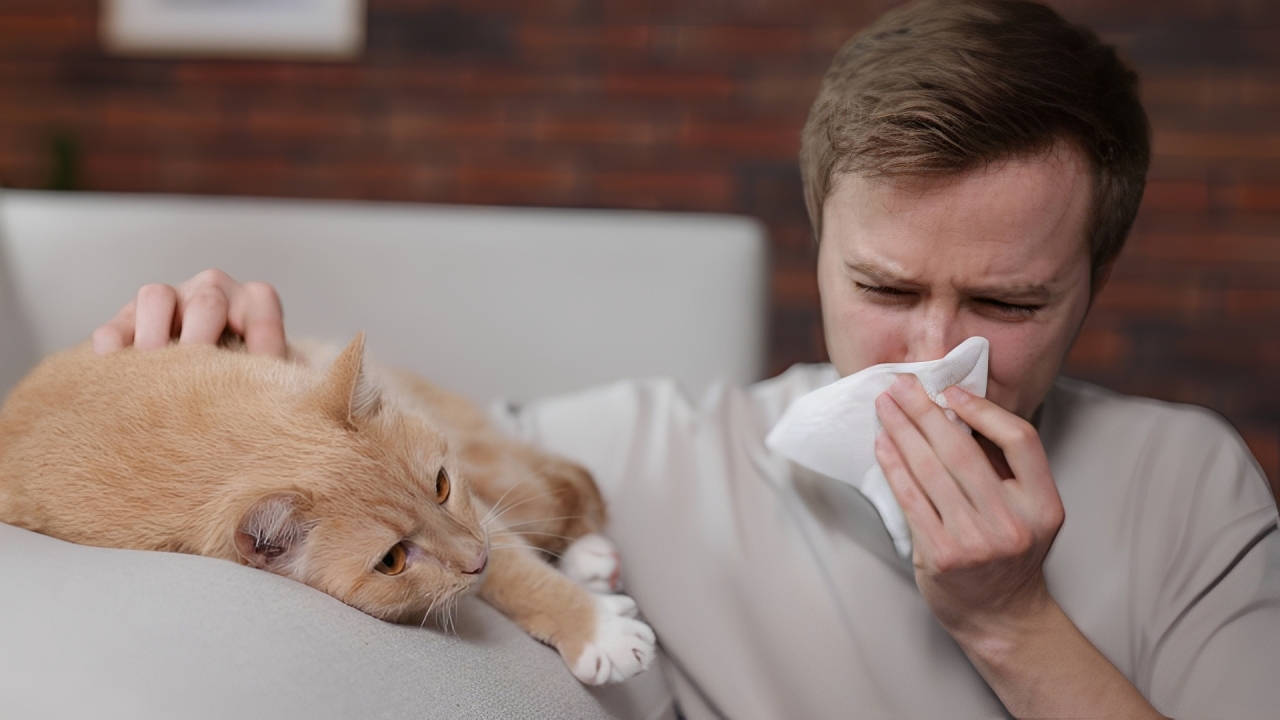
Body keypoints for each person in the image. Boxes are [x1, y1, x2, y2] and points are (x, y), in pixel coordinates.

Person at [93, 1, 1280, 717]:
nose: (928, 355)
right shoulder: (655, 454)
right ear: (813, 255)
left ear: (1094, 285)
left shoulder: (1191, 483)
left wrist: (1011, 621)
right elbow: (402, 463)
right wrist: (228, 376)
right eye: (879, 288)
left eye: (1006, 301)